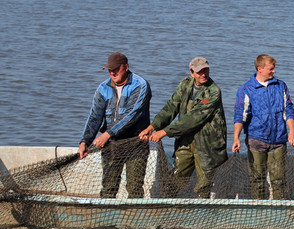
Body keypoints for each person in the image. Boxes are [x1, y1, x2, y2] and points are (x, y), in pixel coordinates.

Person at [138, 57, 228, 198]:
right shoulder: (185, 84)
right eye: (200, 72)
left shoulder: (213, 91)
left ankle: (202, 214)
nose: (203, 74)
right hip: (185, 140)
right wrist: (153, 126)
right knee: (176, 177)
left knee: (203, 185)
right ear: (192, 73)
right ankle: (167, 207)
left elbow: (193, 119)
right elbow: (171, 107)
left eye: (206, 70)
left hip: (207, 144)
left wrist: (164, 132)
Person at [79, 52, 151, 198]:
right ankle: (106, 217)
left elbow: (132, 115)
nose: (112, 72)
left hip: (136, 142)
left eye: (116, 69)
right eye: (109, 69)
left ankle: (134, 217)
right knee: (108, 187)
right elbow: (94, 117)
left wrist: (107, 134)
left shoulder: (140, 85)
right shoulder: (103, 88)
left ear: (126, 67)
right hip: (112, 144)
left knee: (134, 187)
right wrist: (84, 141)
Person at [232, 54, 294, 200]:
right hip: (256, 140)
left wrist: (292, 132)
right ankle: (259, 206)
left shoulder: (281, 86)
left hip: (279, 140)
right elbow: (240, 115)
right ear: (260, 69)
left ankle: (280, 208)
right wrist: (236, 137)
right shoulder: (246, 89)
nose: (274, 71)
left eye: (274, 68)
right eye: (271, 69)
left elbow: (289, 109)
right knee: (257, 179)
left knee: (279, 178)